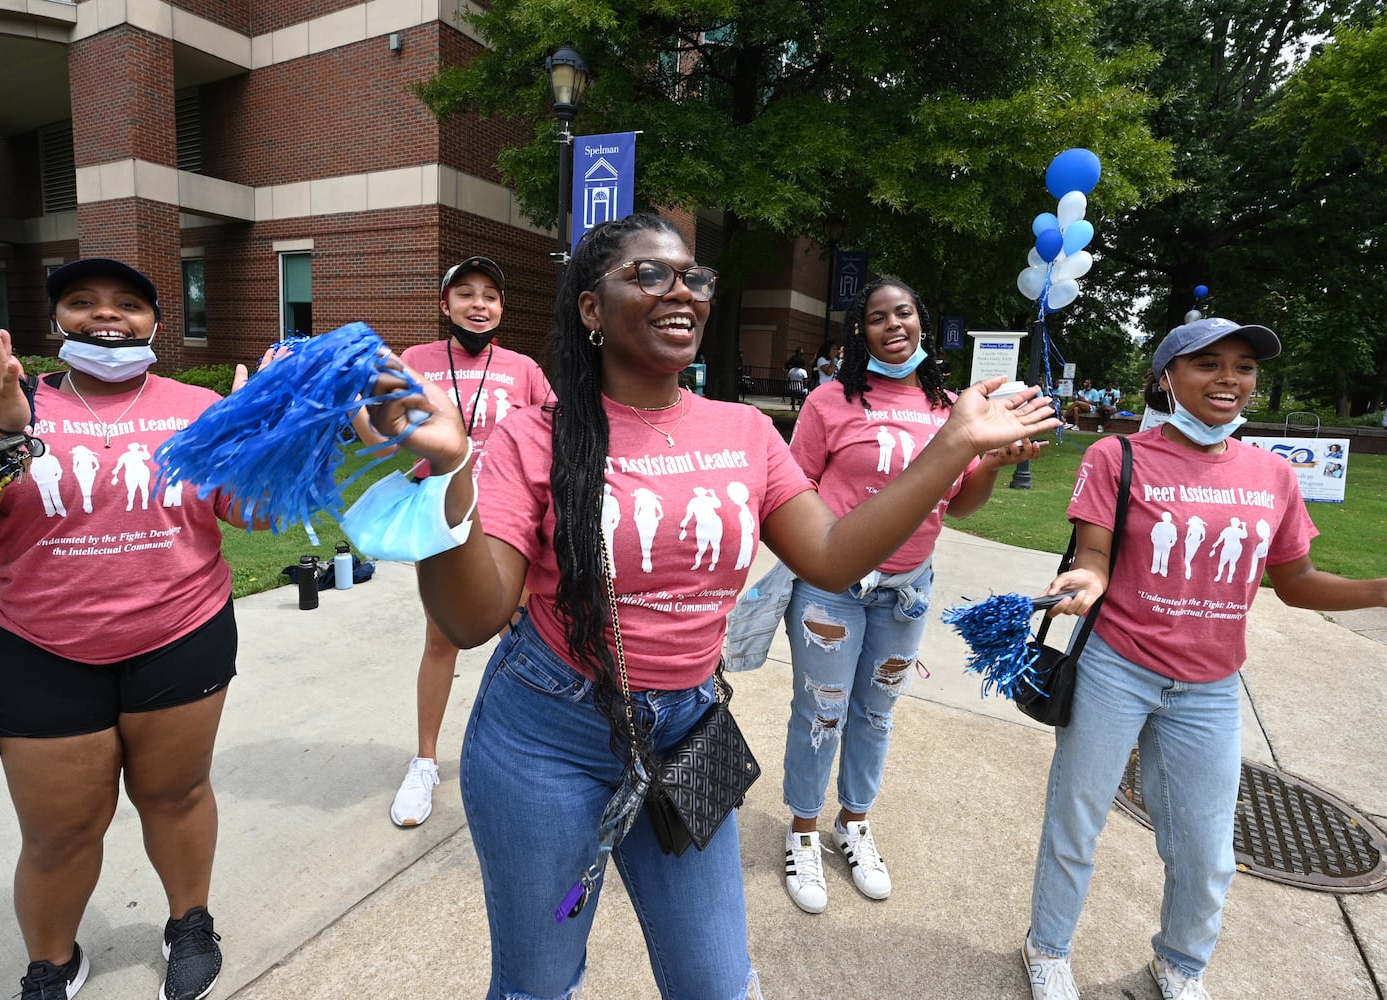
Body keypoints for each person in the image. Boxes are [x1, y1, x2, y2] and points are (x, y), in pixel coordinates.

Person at [358, 213, 1059, 997]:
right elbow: (470, 619)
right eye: (649, 275)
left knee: (718, 984)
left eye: (691, 276)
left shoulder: (746, 431)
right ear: (591, 309)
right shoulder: (538, 432)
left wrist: (952, 446)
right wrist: (451, 469)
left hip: (689, 730)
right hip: (543, 739)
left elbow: (833, 554)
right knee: (538, 983)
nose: (680, 291)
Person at [0, 258, 276, 1000]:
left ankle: (189, 922)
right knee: (60, 832)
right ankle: (53, 962)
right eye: (82, 301)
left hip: (181, 632)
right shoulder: (3, 399)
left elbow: (252, 514)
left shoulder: (196, 404)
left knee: (178, 794)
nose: (107, 316)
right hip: (40, 647)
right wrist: (4, 436)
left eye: (128, 304)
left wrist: (259, 443)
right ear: (56, 320)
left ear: (155, 323)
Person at [1020, 316, 1387, 1000]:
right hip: (1116, 666)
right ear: (1166, 377)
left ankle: (1179, 963)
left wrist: (1381, 589)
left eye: (1244, 367)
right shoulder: (1116, 457)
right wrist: (1085, 581)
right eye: (1208, 363)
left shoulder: (1271, 475)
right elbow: (1095, 557)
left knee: (1205, 852)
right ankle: (1046, 949)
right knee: (1074, 822)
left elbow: (1294, 583)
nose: (1229, 378)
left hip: (1210, 687)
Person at [780, 277, 1041, 914]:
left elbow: (961, 505)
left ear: (922, 321)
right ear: (857, 331)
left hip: (907, 592)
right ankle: (804, 832)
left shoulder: (954, 408)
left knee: (876, 714)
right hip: (833, 591)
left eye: (904, 312)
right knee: (823, 711)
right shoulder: (827, 402)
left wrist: (994, 466)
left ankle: (855, 822)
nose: (893, 325)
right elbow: (793, 492)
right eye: (876, 317)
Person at [386, 256, 551, 828]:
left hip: (511, 520)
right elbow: (394, 429)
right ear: (444, 304)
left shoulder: (525, 369)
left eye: (490, 296)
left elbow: (552, 434)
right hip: (442, 517)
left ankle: (529, 754)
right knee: (442, 638)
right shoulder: (417, 361)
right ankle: (426, 760)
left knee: (528, 638)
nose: (479, 305)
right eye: (466, 294)